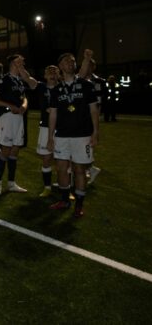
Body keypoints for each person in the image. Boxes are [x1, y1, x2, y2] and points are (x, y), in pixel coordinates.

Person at [48, 50, 99, 217]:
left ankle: (79, 204)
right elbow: (53, 114)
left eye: (72, 61)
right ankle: (64, 200)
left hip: (82, 135)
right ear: (60, 67)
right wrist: (50, 137)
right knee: (61, 169)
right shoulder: (56, 90)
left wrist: (95, 132)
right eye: (66, 62)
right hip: (62, 135)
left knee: (79, 170)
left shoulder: (86, 85)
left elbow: (93, 110)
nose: (70, 64)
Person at [0, 54, 37, 195]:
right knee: (6, 150)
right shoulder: (4, 79)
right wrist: (9, 106)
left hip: (19, 118)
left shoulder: (20, 81)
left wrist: (24, 105)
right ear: (13, 63)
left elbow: (31, 89)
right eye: (20, 61)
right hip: (7, 117)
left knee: (15, 150)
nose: (23, 62)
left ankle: (11, 183)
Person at [35, 65, 60, 197]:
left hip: (62, 128)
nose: (52, 74)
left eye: (55, 72)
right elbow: (27, 79)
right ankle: (47, 187)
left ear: (59, 75)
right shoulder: (41, 87)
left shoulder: (63, 88)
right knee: (46, 158)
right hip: (45, 127)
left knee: (64, 159)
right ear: (44, 75)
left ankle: (65, 187)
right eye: (49, 72)